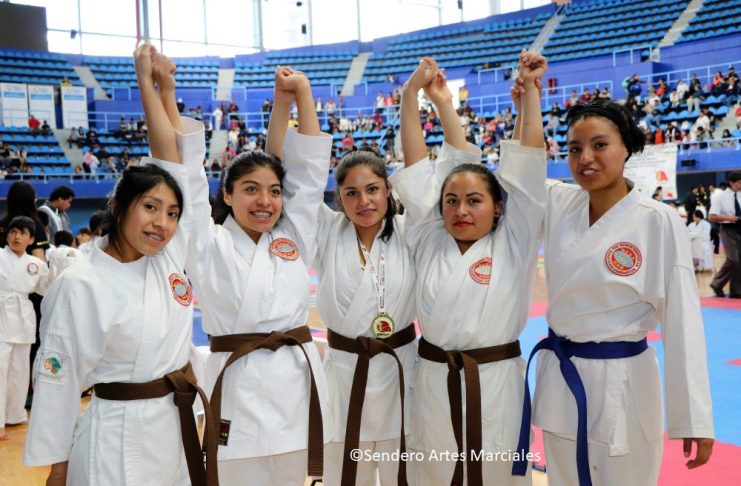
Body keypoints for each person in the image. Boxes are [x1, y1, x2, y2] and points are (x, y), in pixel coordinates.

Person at [24, 43, 217, 486]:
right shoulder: (80, 283)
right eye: (150, 207)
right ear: (118, 206)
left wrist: (162, 89)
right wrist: (58, 468)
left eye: (172, 213)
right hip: (115, 439)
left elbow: (174, 164)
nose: (162, 223)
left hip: (175, 430)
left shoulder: (167, 255)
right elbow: (57, 381)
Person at [513, 97, 714, 486]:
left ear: (627, 147)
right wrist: (531, 99)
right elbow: (523, 173)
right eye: (574, 148)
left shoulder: (657, 220)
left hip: (624, 387)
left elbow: (683, 321)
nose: (585, 158)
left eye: (600, 144)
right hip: (562, 382)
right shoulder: (558, 202)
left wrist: (694, 418)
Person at [389, 52, 547, 485]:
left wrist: (531, 95)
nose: (461, 210)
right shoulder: (427, 235)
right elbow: (417, 164)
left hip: (495, 386)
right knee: (433, 475)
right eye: (452, 201)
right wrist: (415, 96)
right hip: (433, 383)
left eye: (474, 201)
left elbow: (528, 167)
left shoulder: (514, 238)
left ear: (498, 207)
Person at [180, 65, 331, 485]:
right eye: (250, 189)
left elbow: (308, 176)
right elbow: (189, 183)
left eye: (274, 192)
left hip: (295, 392)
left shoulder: (293, 236)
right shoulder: (206, 243)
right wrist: (164, 89)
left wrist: (299, 95)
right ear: (227, 195)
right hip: (237, 395)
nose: (265, 200)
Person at [315, 148, 417, 483]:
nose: (364, 202)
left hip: (401, 373)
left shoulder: (412, 231)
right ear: (338, 197)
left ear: (388, 188)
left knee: (406, 476)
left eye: (372, 189)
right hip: (343, 377)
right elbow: (300, 180)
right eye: (351, 193)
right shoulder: (327, 231)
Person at [0, 216, 51, 441]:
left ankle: (15, 414)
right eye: (13, 232)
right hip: (2, 312)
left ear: (31, 240)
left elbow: (46, 290)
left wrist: (57, 270)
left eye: (22, 233)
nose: (16, 237)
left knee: (20, 370)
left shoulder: (36, 264)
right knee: (1, 369)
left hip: (23, 318)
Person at [708, 171, 741, 297]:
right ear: (732, 182)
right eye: (739, 182)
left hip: (740, 228)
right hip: (727, 229)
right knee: (733, 259)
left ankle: (736, 291)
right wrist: (729, 218)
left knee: (739, 261)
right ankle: (717, 284)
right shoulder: (720, 197)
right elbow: (712, 216)